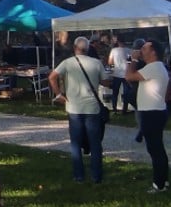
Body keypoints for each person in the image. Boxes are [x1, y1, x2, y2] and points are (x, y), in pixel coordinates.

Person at [49, 36, 110, 183]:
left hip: (74, 107)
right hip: (92, 107)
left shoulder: (68, 63)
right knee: (95, 143)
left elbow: (52, 77)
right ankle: (96, 175)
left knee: (76, 143)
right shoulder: (96, 63)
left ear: (74, 47)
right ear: (88, 49)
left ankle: (78, 175)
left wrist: (59, 94)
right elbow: (106, 82)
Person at [127, 39, 170, 193]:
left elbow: (129, 76)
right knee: (158, 148)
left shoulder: (153, 67)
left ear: (153, 52)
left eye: (144, 48)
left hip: (151, 113)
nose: (141, 51)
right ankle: (163, 180)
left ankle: (158, 184)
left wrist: (132, 59)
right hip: (155, 111)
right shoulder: (156, 67)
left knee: (155, 149)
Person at [107, 38, 133, 113]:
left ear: (118, 42)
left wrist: (112, 69)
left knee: (115, 92)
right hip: (126, 74)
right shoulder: (129, 50)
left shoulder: (114, 50)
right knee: (126, 93)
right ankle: (124, 109)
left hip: (117, 74)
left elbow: (110, 62)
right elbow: (130, 62)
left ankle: (114, 108)